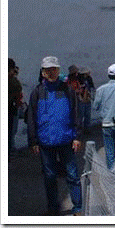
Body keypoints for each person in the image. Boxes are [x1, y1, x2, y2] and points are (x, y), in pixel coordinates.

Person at [26, 56, 82, 216]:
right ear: (43, 73)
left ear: (58, 71)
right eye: (48, 70)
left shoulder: (67, 90)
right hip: (45, 142)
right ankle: (53, 208)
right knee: (50, 177)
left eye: (54, 69)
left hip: (66, 140)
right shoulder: (37, 92)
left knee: (72, 175)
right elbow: (31, 118)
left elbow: (76, 113)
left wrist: (77, 136)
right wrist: (33, 141)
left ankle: (78, 208)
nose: (51, 72)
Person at [8, 58, 24, 157]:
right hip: (11, 109)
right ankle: (10, 151)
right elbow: (18, 94)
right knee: (11, 131)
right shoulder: (13, 81)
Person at [77, 67, 95, 134]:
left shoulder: (89, 79)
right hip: (81, 99)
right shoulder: (79, 80)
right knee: (81, 115)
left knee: (87, 115)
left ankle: (87, 129)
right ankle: (79, 129)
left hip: (87, 98)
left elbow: (92, 87)